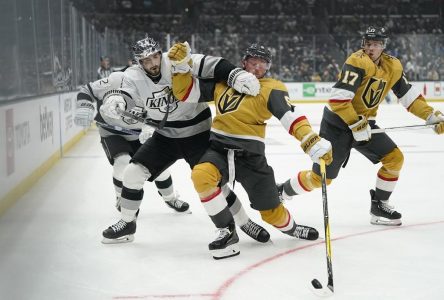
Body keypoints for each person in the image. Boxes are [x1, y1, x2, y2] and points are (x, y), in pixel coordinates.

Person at [99, 36, 271, 245]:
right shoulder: (132, 75)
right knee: (132, 173)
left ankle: (244, 223)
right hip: (165, 137)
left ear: (159, 53)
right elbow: (124, 91)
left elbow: (214, 64)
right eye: (146, 60)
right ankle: (127, 223)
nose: (153, 63)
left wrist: (235, 74)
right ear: (138, 62)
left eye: (154, 57)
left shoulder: (174, 59)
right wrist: (114, 98)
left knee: (216, 183)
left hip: (198, 134)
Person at [168, 42, 333, 259]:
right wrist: (181, 68)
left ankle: (291, 228)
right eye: (253, 63)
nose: (257, 69)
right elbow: (185, 92)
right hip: (219, 149)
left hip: (251, 158)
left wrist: (310, 140)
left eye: (262, 66)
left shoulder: (271, 87)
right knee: (201, 176)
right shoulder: (224, 82)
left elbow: (290, 116)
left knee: (272, 215)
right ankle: (227, 231)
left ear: (268, 69)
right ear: (244, 62)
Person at [277, 26, 444, 226]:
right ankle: (282, 191)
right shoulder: (357, 61)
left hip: (365, 124)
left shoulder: (393, 66)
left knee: (394, 159)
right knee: (321, 178)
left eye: (375, 44)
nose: (370, 48)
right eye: (367, 43)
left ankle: (379, 205)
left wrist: (430, 115)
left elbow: (409, 98)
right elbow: (338, 100)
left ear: (383, 46)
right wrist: (355, 123)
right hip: (337, 124)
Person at [74, 71, 190, 215]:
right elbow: (87, 90)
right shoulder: (115, 80)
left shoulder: (154, 90)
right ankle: (121, 198)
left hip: (139, 135)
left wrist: (151, 126)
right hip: (112, 133)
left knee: (161, 169)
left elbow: (164, 116)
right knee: (122, 162)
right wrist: (84, 105)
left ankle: (170, 198)